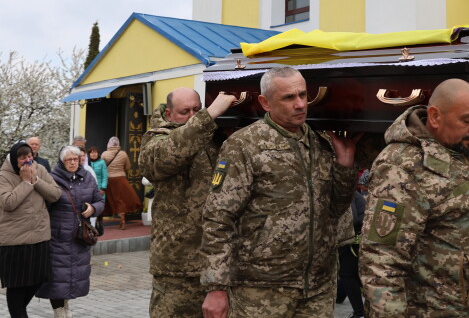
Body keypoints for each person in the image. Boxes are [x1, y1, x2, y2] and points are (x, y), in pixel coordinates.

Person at [201, 66, 358, 318]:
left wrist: (345, 166)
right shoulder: (244, 145)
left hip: (317, 287)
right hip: (261, 289)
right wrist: (216, 286)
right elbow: (218, 218)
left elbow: (336, 209)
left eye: (303, 95)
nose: (300, 104)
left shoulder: (322, 142)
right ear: (265, 102)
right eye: (289, 97)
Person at [359, 79, 469, 317]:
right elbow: (381, 261)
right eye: (467, 120)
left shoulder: (466, 152)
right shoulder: (402, 166)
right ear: (434, 117)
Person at [138, 87, 235, 318]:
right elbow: (166, 157)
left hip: (217, 264)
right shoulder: (157, 138)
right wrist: (208, 115)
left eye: (196, 110)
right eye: (185, 112)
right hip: (177, 266)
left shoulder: (211, 136)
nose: (192, 116)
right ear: (169, 114)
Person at [35, 145, 105, 318]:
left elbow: (100, 201)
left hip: (80, 238)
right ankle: (59, 312)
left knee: (73, 275)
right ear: (62, 161)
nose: (73, 162)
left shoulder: (87, 177)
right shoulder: (52, 178)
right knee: (57, 277)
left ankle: (65, 308)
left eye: (76, 159)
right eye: (69, 160)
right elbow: (43, 206)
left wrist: (93, 208)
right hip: (57, 237)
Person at [0, 141, 61, 318]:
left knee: (38, 279)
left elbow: (55, 194)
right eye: (22, 158)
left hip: (39, 235)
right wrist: (26, 182)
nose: (27, 160)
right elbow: (8, 203)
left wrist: (36, 180)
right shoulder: (5, 175)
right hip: (14, 240)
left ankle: (18, 311)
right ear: (14, 159)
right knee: (16, 285)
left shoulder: (39, 169)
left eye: (29, 156)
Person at [101, 136, 141, 229]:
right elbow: (128, 166)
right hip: (120, 179)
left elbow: (102, 167)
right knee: (121, 199)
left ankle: (100, 220)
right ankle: (122, 219)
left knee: (110, 199)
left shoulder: (104, 154)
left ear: (109, 144)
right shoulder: (123, 154)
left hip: (109, 179)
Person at [339, 183, 365, 318]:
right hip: (354, 239)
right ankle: (339, 296)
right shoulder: (351, 192)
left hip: (353, 240)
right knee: (348, 274)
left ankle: (359, 313)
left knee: (348, 274)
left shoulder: (347, 193)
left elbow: (353, 218)